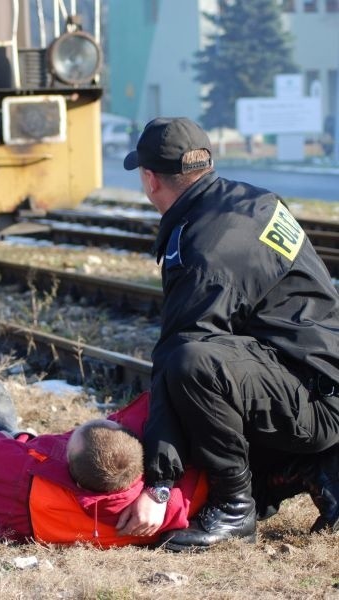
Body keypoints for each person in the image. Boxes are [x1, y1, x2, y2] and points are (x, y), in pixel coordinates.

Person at [118, 117, 339, 551]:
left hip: (314, 399)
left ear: (149, 179)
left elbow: (179, 354)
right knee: (202, 376)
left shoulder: (204, 249)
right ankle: (311, 467)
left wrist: (158, 485)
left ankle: (236, 507)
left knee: (191, 365)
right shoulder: (248, 201)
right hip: (312, 380)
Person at [0, 379, 209, 547]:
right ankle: (12, 432)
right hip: (69, 495)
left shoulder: (18, 485)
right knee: (22, 446)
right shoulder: (178, 503)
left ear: (70, 473)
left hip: (24, 495)